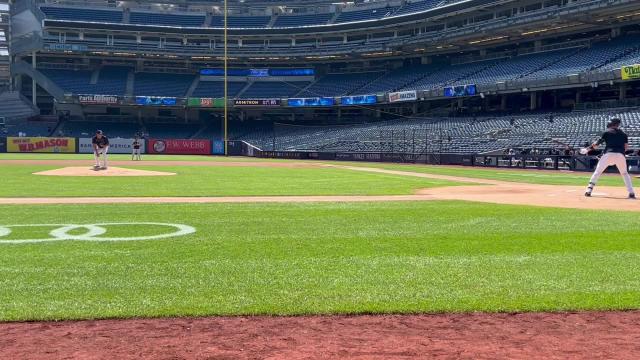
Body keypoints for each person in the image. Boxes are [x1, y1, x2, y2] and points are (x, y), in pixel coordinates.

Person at [585, 118, 635, 199]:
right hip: (620, 155)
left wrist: (587, 149)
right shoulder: (623, 134)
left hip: (608, 154)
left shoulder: (606, 132)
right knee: (625, 174)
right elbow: (626, 148)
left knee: (597, 172)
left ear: (612, 123)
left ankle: (589, 190)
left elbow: (596, 144)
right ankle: (631, 192)